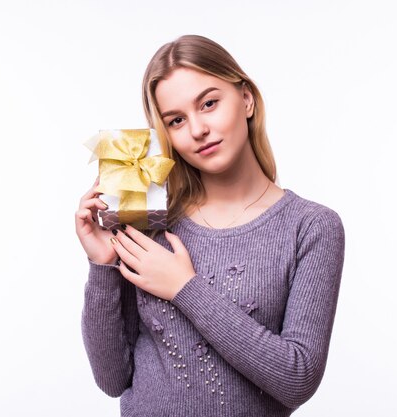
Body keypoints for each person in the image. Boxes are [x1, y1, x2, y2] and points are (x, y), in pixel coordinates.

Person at [75, 34, 345, 417]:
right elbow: (113, 378)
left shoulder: (311, 227)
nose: (198, 129)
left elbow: (297, 378)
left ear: (246, 99)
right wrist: (102, 265)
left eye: (209, 103)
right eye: (177, 120)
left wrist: (185, 288)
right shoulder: (152, 222)